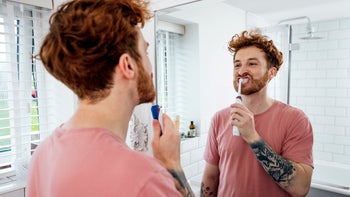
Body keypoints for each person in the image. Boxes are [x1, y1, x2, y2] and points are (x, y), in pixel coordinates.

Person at [26, 0, 194, 196]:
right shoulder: (144, 177)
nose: (150, 67)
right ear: (128, 66)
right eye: (145, 51)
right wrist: (171, 164)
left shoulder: (42, 155)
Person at [201, 30, 313, 197]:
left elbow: (300, 188)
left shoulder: (295, 119)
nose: (241, 71)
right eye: (237, 64)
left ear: (272, 72)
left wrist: (252, 136)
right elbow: (211, 177)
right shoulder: (219, 118)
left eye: (252, 64)